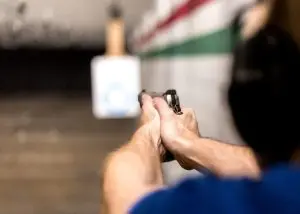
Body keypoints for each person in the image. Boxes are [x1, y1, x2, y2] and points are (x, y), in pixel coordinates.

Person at [102, 1, 300, 214]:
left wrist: (150, 132)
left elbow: (122, 193)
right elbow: (268, 171)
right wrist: (185, 141)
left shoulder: (216, 202)